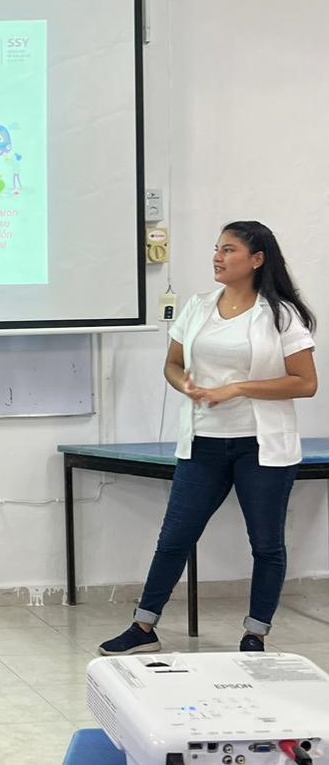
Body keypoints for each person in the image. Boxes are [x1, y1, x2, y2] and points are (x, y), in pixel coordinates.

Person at [100, 221, 317, 656]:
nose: (218, 257)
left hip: (261, 444)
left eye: (230, 250)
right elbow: (173, 365)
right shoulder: (198, 307)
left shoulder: (281, 315)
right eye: (217, 249)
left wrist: (237, 388)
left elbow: (305, 383)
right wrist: (187, 386)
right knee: (175, 537)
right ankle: (144, 627)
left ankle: (255, 633)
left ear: (257, 260)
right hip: (203, 443)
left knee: (266, 543)